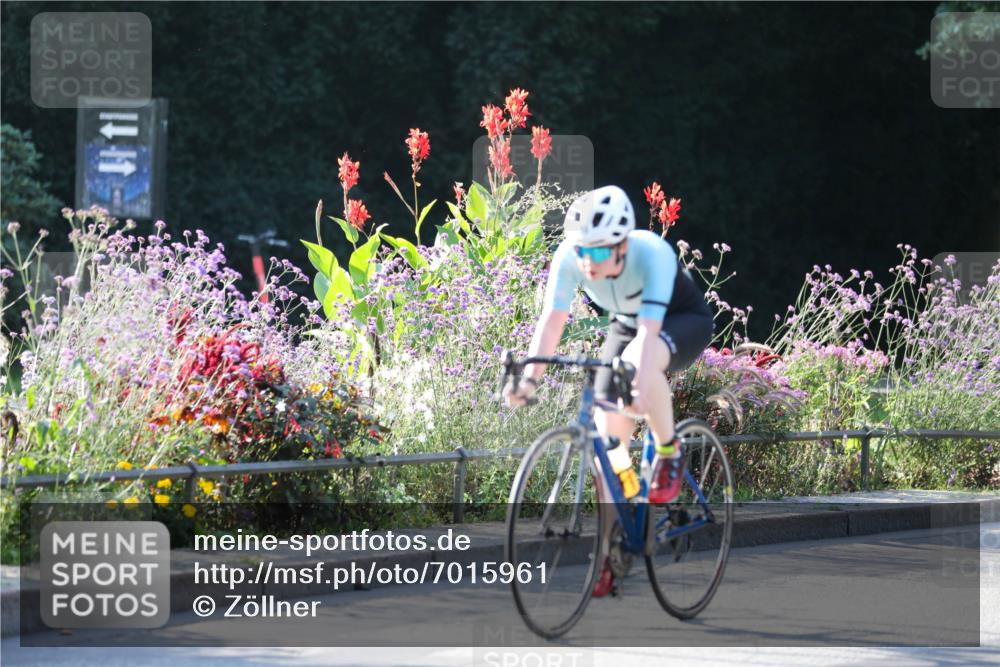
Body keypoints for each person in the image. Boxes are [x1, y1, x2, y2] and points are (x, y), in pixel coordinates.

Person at [503, 185, 713, 506]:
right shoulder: (569, 255)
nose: (588, 262)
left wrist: (639, 385)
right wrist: (529, 379)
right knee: (609, 438)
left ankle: (669, 450)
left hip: (681, 319)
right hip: (626, 322)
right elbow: (553, 320)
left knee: (636, 362)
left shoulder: (652, 254)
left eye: (599, 252)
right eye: (582, 251)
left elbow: (649, 331)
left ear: (622, 246)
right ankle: (622, 510)